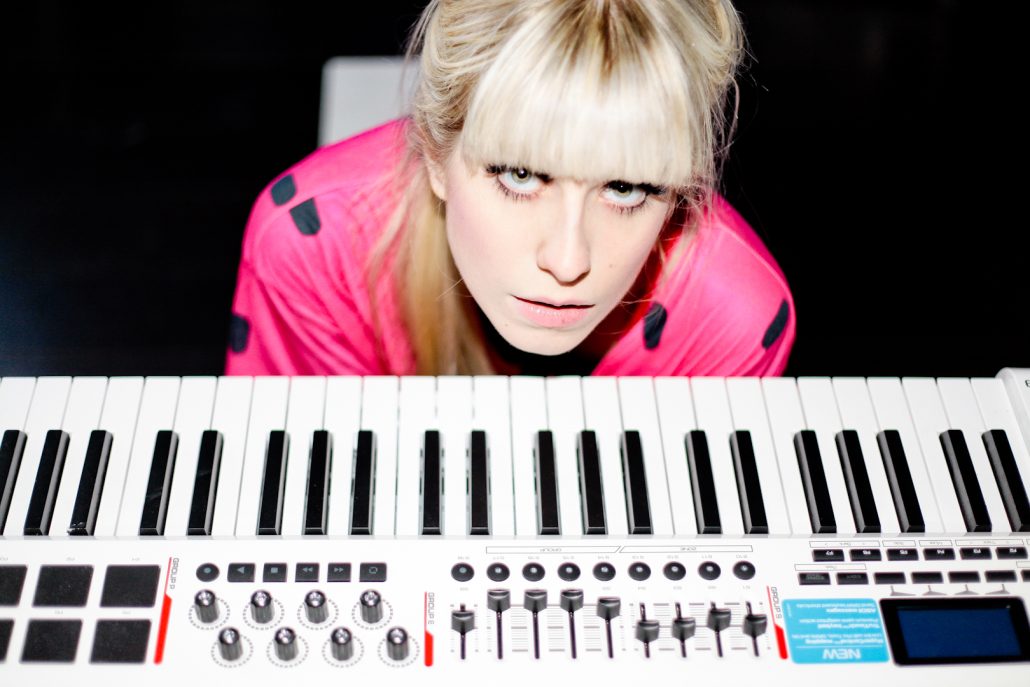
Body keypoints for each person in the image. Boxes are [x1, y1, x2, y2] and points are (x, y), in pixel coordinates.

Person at [226, 0, 795, 378]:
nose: (568, 262)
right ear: (436, 155)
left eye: (626, 187)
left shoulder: (735, 318)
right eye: (520, 175)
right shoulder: (311, 238)